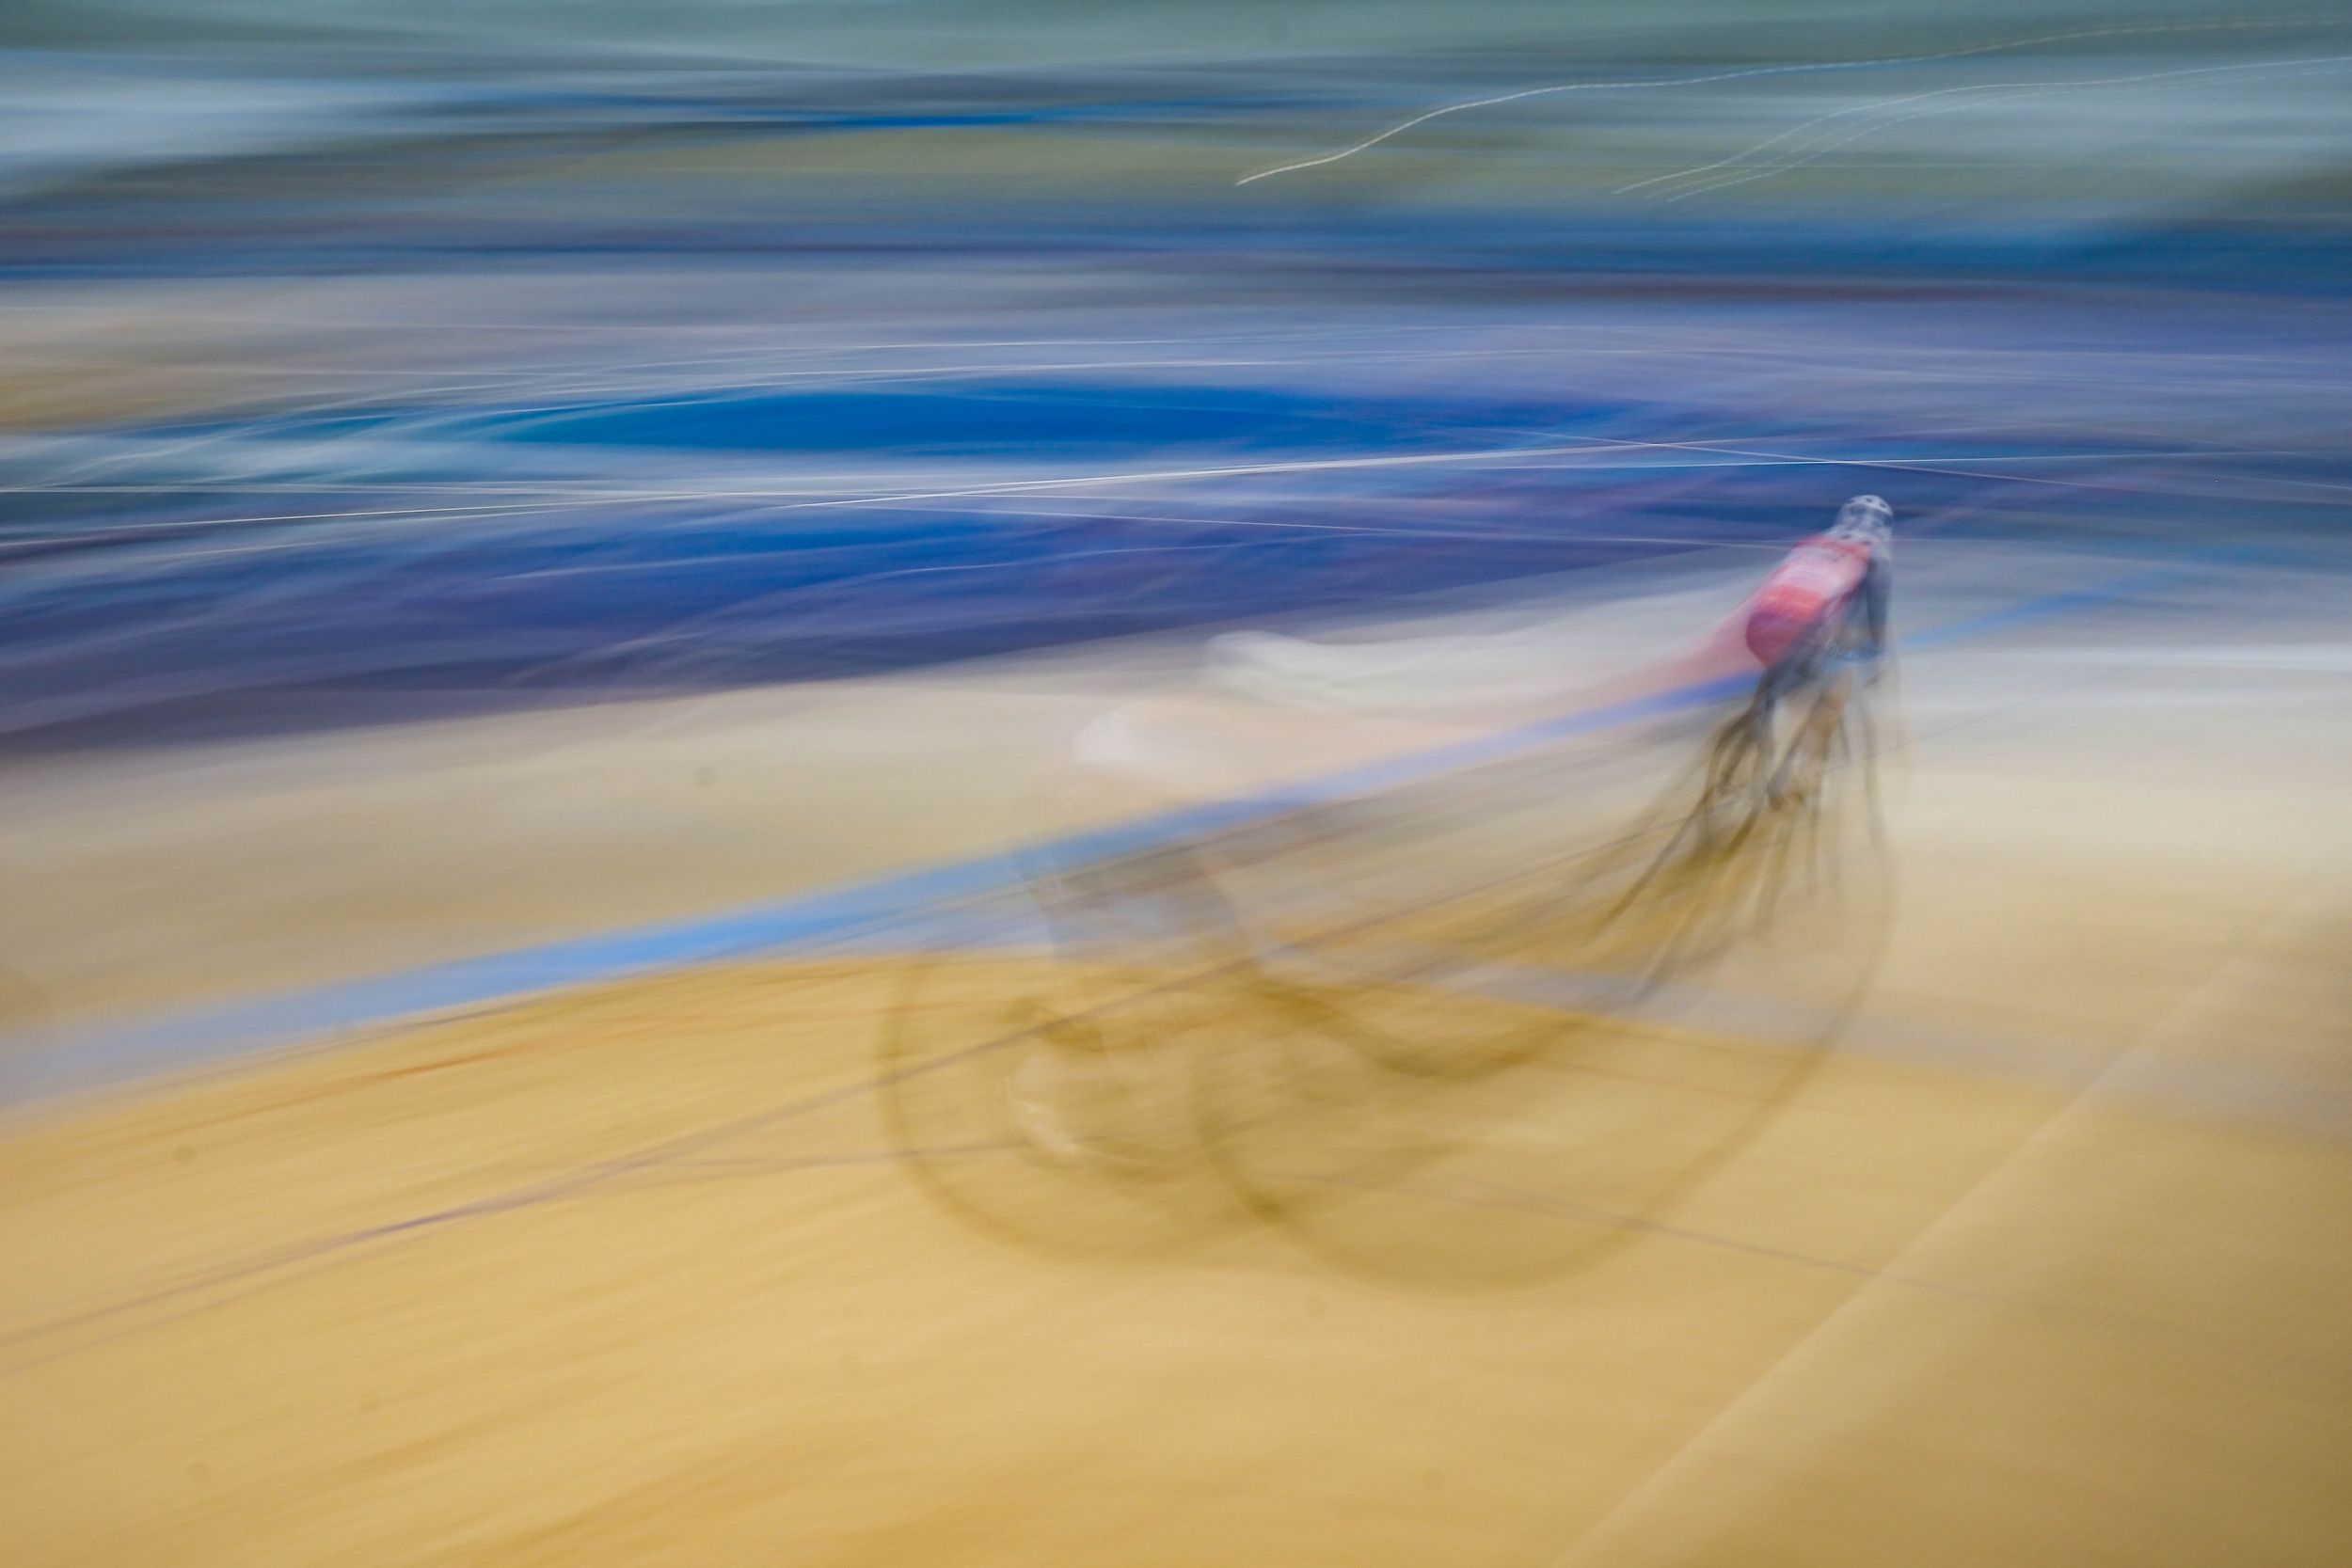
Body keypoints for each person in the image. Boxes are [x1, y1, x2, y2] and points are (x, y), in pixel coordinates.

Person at [1741, 495, 1892, 794]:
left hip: (1758, 623)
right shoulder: (1876, 554)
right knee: (1834, 684)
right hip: (1807, 634)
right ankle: (1795, 771)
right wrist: (1874, 656)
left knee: (1781, 662)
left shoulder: (1809, 542)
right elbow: (1875, 615)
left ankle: (1760, 720)